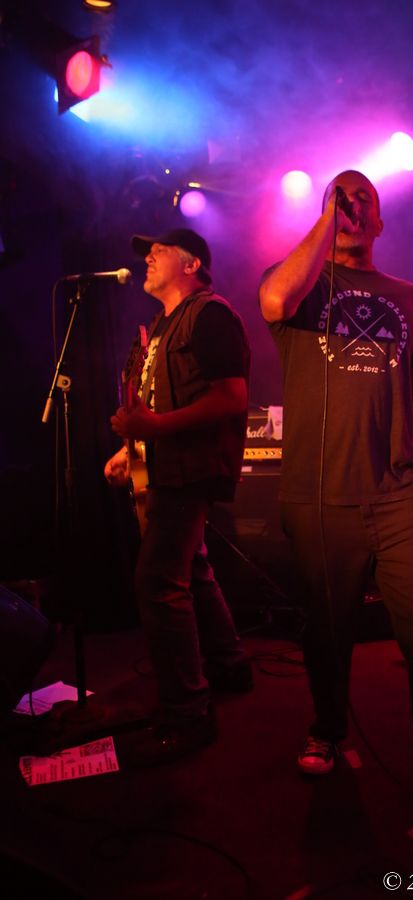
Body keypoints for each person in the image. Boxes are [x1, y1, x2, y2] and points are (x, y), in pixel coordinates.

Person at [259, 171, 413, 832]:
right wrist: (325, 218)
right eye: (340, 196)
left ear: (381, 221)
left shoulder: (409, 297)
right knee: (326, 630)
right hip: (320, 494)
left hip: (398, 491)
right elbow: (275, 301)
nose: (352, 203)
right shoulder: (298, 285)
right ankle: (327, 729)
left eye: (362, 197)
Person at [105, 228, 251, 766]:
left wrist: (156, 428)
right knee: (193, 568)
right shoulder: (162, 327)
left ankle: (188, 711)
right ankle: (230, 665)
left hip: (192, 469)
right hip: (167, 467)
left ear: (191, 265)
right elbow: (158, 403)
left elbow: (232, 398)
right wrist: (131, 449)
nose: (147, 256)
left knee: (158, 580)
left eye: (159, 250)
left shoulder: (210, 314)